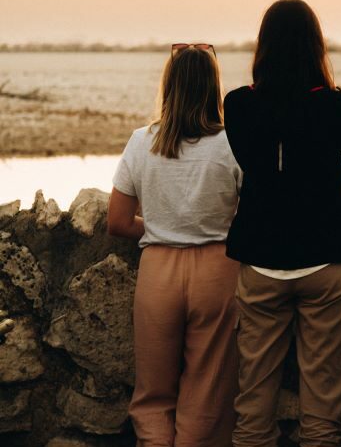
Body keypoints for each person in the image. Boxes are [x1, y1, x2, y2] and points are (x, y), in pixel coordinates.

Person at [224, 0, 341, 447]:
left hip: (261, 260)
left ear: (263, 46)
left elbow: (251, 159)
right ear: (316, 46)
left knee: (253, 402)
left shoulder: (238, 104)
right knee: (323, 408)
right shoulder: (330, 103)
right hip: (325, 260)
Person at [108, 43, 242, 446]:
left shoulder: (141, 142)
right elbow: (255, 216)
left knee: (152, 395)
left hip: (158, 271)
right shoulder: (234, 143)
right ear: (213, 87)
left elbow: (116, 221)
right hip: (218, 273)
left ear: (168, 86)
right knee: (208, 390)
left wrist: (160, 228)